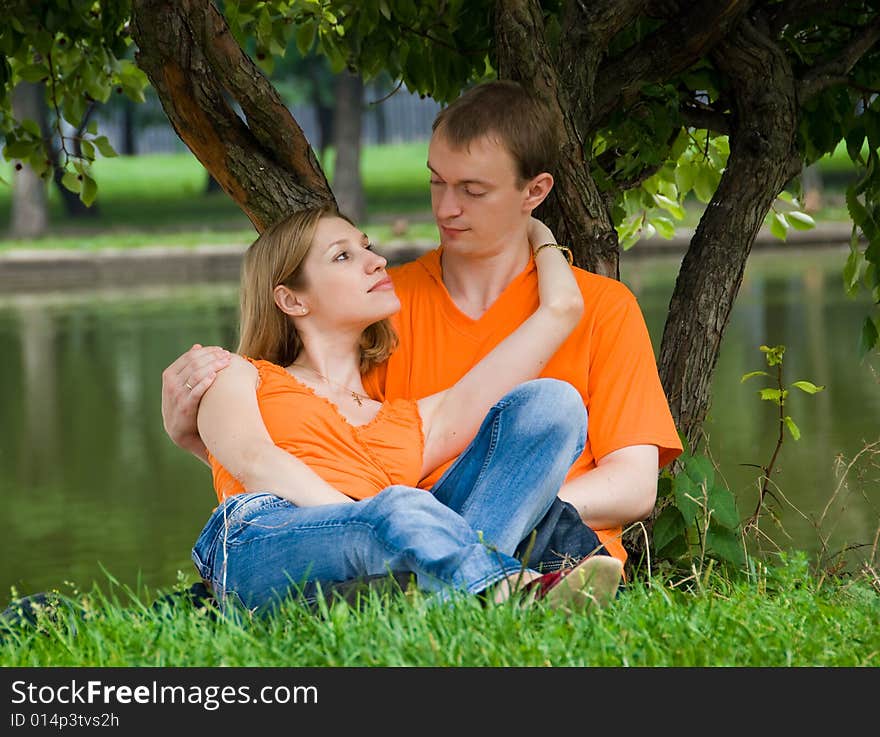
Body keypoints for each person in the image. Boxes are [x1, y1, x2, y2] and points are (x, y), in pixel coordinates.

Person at [163, 79, 682, 575]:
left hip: (530, 539)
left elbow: (634, 489)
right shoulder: (380, 309)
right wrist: (204, 442)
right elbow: (314, 452)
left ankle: (464, 570)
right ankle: (473, 576)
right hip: (383, 531)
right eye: (437, 181)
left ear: (535, 190)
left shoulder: (603, 307)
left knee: (552, 404)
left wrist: (486, 511)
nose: (446, 208)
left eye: (473, 190)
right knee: (394, 523)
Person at [191, 205, 624, 613]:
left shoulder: (412, 420)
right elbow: (256, 461)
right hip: (264, 541)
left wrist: (535, 229)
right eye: (343, 256)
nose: (376, 261)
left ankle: (448, 598)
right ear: (292, 300)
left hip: (394, 550)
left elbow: (560, 312)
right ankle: (507, 587)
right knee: (402, 505)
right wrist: (370, 514)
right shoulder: (239, 374)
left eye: (368, 247)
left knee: (552, 404)